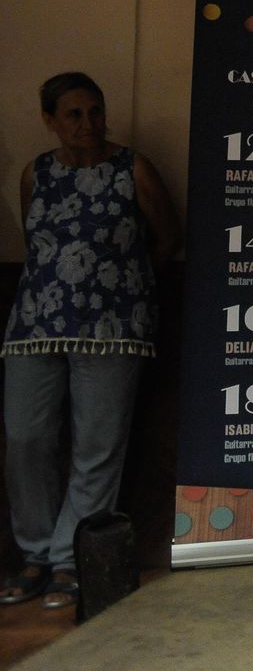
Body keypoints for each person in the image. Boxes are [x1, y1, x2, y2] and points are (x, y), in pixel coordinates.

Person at [2, 73, 179, 610]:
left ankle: (69, 559)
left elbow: (167, 236)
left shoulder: (132, 167)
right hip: (36, 325)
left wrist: (124, 288)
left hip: (113, 328)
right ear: (51, 120)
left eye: (95, 111)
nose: (88, 123)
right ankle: (33, 552)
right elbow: (35, 242)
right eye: (73, 114)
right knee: (26, 439)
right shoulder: (38, 172)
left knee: (96, 448)